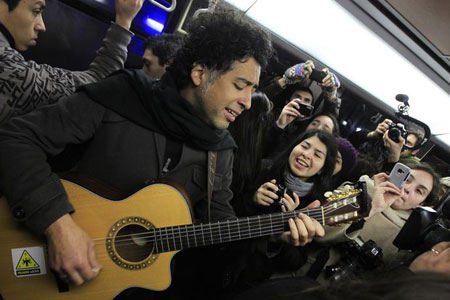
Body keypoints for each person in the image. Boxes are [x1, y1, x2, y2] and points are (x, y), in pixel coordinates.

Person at [0, 7, 324, 298]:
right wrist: (57, 224)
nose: (248, 101)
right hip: (33, 254)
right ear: (200, 74)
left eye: (253, 90)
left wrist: (271, 235)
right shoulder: (121, 96)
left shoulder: (222, 152)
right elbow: (16, 140)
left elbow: (220, 228)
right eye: (241, 86)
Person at [0, 0, 144, 124]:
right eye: (36, 11)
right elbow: (99, 82)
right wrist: (124, 21)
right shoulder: (11, 71)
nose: (42, 26)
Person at [299, 163, 441, 284]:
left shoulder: (405, 238)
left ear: (421, 204)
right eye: (407, 179)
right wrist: (370, 202)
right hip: (298, 267)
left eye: (419, 191)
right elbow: (320, 232)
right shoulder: (357, 189)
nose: (408, 189)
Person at [350, 118, 424, 175]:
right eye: (401, 138)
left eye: (407, 143)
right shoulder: (383, 142)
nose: (401, 143)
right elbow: (350, 141)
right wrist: (372, 135)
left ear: (414, 151)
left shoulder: (412, 167)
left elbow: (391, 183)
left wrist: (394, 157)